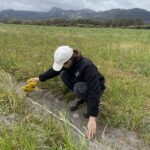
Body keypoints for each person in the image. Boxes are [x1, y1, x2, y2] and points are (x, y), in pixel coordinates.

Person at [32, 46, 105, 140]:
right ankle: (80, 96)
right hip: (79, 82)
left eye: (62, 64)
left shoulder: (87, 66)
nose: (61, 66)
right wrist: (39, 78)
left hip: (96, 87)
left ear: (70, 60)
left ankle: (87, 100)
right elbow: (54, 71)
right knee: (63, 74)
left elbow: (94, 90)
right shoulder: (68, 63)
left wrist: (92, 117)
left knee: (78, 88)